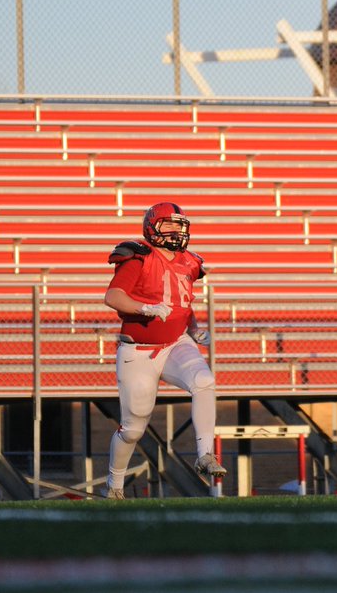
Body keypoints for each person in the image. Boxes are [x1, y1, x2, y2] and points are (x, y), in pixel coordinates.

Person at [103, 202, 225, 498]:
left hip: (175, 343)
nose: (176, 232)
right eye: (169, 225)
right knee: (133, 429)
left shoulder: (190, 261)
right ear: (151, 227)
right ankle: (115, 486)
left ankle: (205, 454)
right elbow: (113, 296)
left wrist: (193, 329)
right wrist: (145, 308)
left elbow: (183, 302)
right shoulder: (138, 256)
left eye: (180, 226)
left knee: (204, 382)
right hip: (139, 351)